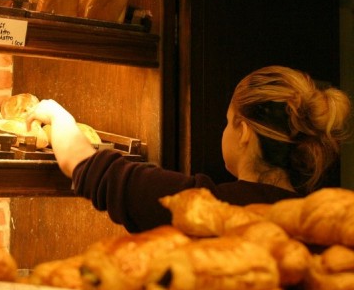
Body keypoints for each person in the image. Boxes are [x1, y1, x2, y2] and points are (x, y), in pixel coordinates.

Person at [25, 65, 352, 233]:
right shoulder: (319, 228)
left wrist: (56, 114)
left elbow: (84, 165)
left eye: (228, 121)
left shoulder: (202, 208)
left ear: (245, 132)